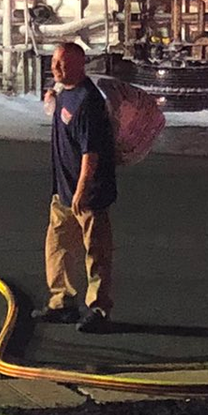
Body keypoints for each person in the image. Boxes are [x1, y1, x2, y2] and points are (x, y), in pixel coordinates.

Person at [34, 42, 117, 333]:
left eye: (62, 63)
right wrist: (51, 100)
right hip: (63, 192)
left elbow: (90, 154)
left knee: (96, 251)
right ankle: (62, 302)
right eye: (54, 62)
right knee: (57, 246)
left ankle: (98, 308)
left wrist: (82, 190)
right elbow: (60, 116)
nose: (55, 68)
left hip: (88, 195)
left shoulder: (87, 102)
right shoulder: (65, 94)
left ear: (80, 64)